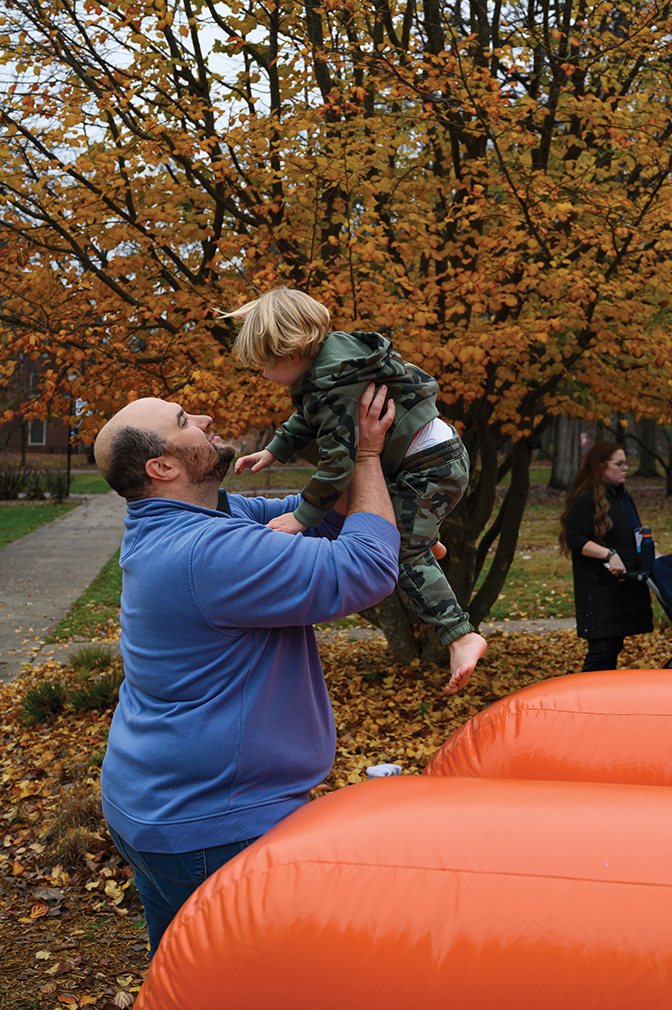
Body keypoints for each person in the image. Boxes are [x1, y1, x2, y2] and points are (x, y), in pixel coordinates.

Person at [93, 384, 401, 956]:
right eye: (184, 419)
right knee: (253, 981)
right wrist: (364, 457)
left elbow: (321, 519)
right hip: (211, 825)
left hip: (158, 807)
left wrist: (337, 436)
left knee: (185, 978)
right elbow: (367, 568)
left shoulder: (208, 518)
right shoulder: (204, 553)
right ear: (162, 466)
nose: (205, 415)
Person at [227, 287, 487, 690]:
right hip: (426, 458)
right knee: (391, 526)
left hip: (429, 467)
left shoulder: (335, 387)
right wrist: (273, 452)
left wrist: (302, 518)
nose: (263, 374)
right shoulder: (337, 363)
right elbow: (306, 418)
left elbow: (337, 464)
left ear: (291, 355)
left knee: (400, 549)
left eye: (264, 365)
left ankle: (460, 634)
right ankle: (424, 540)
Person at [559, 440, 654, 672]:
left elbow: (636, 537)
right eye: (619, 464)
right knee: (601, 654)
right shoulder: (585, 500)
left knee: (612, 651)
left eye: (626, 463)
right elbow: (575, 538)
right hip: (599, 592)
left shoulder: (623, 499)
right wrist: (609, 554)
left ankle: (600, 705)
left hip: (622, 590)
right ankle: (582, 705)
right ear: (601, 466)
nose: (625, 468)